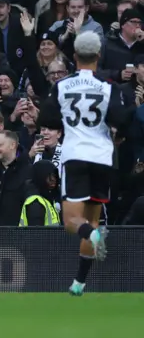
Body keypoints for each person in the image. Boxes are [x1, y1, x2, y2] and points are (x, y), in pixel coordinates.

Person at [39, 31, 133, 296]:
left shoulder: (62, 86)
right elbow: (121, 120)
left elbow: (47, 117)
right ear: (99, 55)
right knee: (91, 220)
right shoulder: (108, 86)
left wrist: (67, 122)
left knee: (72, 221)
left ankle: (93, 236)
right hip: (103, 158)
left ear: (75, 56)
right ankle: (79, 283)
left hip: (75, 156)